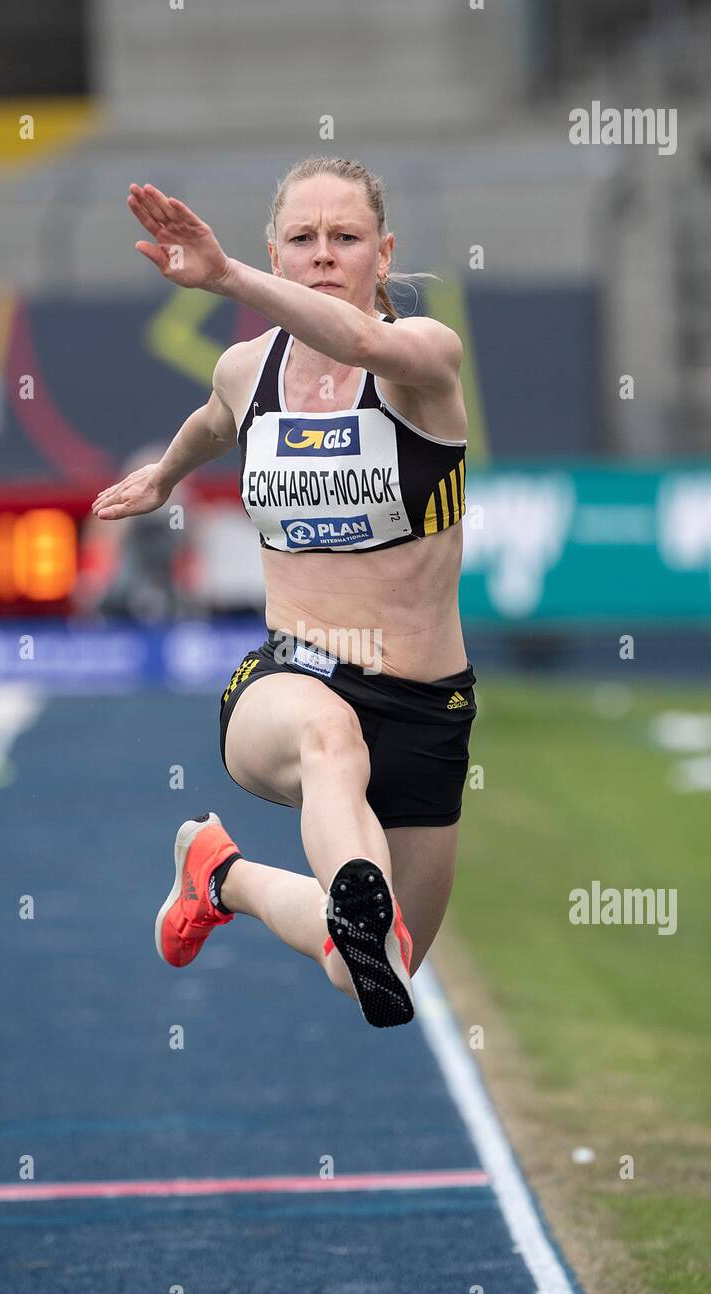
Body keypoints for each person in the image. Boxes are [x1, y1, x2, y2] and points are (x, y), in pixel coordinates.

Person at [92, 157, 477, 1029]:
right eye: (302, 240)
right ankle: (346, 887)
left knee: (373, 965)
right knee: (327, 737)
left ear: (384, 252)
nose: (323, 256)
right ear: (278, 248)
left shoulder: (424, 358)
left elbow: (363, 342)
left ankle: (217, 874)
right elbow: (214, 420)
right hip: (292, 680)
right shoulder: (246, 370)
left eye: (345, 238)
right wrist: (164, 476)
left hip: (425, 706)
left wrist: (229, 277)